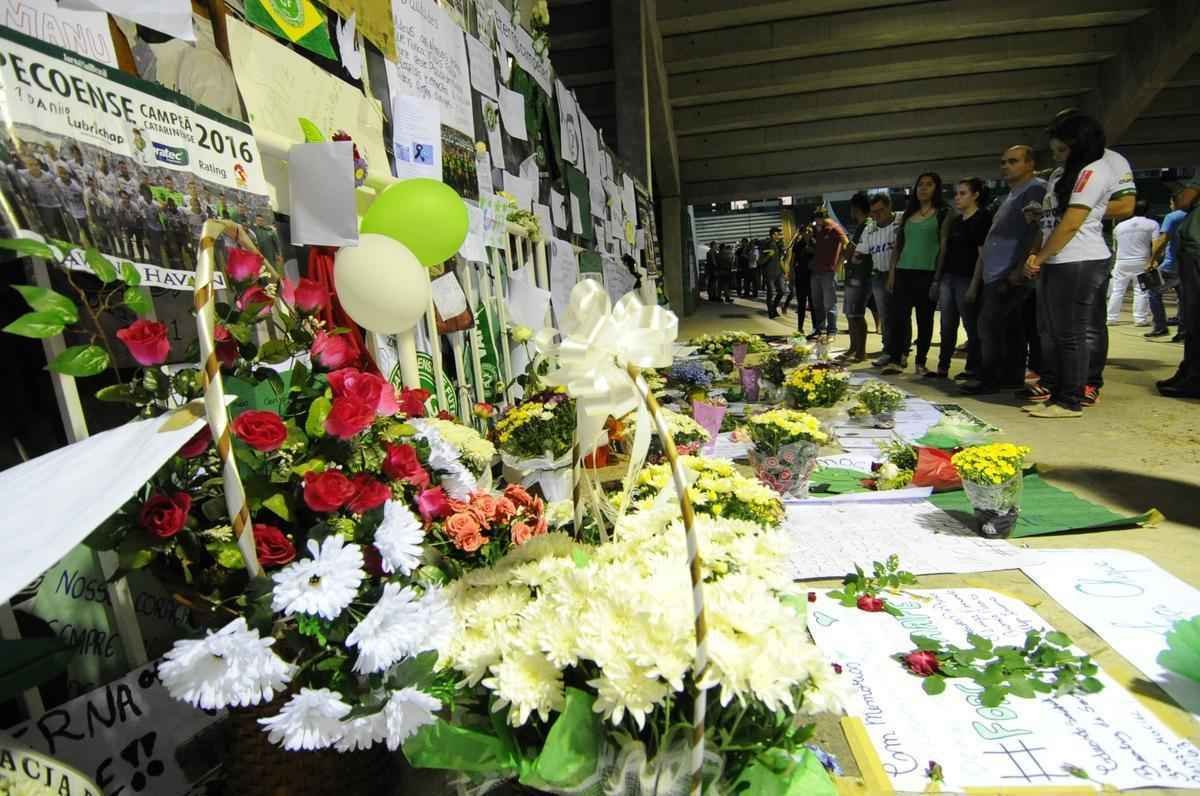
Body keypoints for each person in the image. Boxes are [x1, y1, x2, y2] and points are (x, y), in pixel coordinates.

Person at [1022, 114, 1118, 418]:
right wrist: (1037, 251)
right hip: (1059, 259)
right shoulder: (1062, 175)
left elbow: (1072, 223)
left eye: (1062, 150)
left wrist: (1041, 257)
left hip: (1079, 260)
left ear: (1079, 145)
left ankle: (1069, 400)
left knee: (1071, 333)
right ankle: (1059, 392)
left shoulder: (1094, 171)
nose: (1056, 156)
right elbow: (1053, 223)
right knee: (1053, 330)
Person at [961, 147, 1046, 395]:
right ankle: (1009, 376)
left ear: (1030, 164)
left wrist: (1019, 268)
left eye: (1013, 161)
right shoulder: (1013, 193)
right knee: (1008, 327)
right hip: (997, 270)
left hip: (1009, 270)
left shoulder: (1034, 189)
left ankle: (992, 378)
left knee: (990, 325)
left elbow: (1035, 230)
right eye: (1003, 162)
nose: (1005, 166)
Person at [882, 173, 947, 375]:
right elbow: (898, 246)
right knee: (899, 317)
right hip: (903, 271)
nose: (923, 188)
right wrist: (892, 273)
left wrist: (937, 277)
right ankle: (897, 357)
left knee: (925, 319)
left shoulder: (943, 213)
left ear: (936, 189)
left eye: (929, 185)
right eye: (920, 185)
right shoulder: (908, 215)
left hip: (926, 273)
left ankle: (921, 362)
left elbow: (943, 247)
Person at [929, 178, 992, 379]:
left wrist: (975, 284)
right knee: (947, 324)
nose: (957, 197)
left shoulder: (982, 218)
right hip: (949, 277)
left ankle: (973, 369)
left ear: (975, 195)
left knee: (971, 326)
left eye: (962, 193)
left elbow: (982, 255)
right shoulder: (956, 221)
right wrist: (938, 279)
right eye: (956, 193)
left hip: (967, 278)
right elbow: (946, 251)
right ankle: (943, 367)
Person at [1157, 175, 1200, 398]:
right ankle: (1188, 372)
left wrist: (1185, 190)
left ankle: (1193, 377)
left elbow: (1184, 201)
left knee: (1194, 317)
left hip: (1197, 250)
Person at [859, 193, 900, 365]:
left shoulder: (901, 220)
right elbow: (860, 252)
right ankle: (888, 350)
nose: (876, 215)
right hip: (879, 275)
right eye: (873, 212)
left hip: (900, 274)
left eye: (880, 211)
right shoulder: (870, 228)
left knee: (900, 315)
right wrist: (856, 256)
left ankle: (902, 351)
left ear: (889, 207)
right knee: (885, 315)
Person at [1107, 200, 1158, 327]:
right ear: (1147, 210)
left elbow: (1115, 247)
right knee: (1141, 291)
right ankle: (1140, 319)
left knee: (1117, 291)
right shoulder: (1152, 224)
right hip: (1142, 260)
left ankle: (1111, 318)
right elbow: (1156, 244)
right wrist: (1154, 260)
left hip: (1121, 261)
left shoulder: (1119, 226)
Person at [839, 192, 874, 362]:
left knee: (856, 315)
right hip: (855, 274)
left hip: (860, 275)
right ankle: (854, 347)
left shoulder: (866, 224)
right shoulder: (863, 225)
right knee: (851, 314)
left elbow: (849, 251)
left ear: (855, 208)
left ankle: (861, 352)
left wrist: (847, 249)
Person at [1146, 196, 1186, 339]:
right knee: (1185, 299)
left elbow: (1162, 240)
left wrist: (1152, 261)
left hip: (1171, 265)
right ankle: (1183, 331)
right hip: (1189, 265)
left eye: (1170, 202)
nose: (1170, 206)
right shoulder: (1194, 215)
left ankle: (1160, 327)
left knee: (1153, 292)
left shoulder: (1173, 217)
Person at [809, 207, 848, 343]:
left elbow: (846, 244)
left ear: (824, 218)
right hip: (816, 271)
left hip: (829, 272)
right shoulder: (816, 229)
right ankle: (820, 329)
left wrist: (839, 263)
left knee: (829, 304)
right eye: (816, 220)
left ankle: (831, 331)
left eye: (818, 220)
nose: (817, 222)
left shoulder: (834, 228)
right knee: (817, 302)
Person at [782, 223, 813, 327]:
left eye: (810, 231)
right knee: (801, 303)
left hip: (813, 277)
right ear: (802, 233)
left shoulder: (815, 243)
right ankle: (800, 327)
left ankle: (816, 329)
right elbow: (792, 261)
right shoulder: (798, 244)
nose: (808, 233)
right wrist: (790, 273)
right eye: (806, 231)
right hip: (800, 276)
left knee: (813, 304)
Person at [760, 227, 787, 318]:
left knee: (782, 291)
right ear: (772, 235)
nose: (778, 236)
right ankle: (771, 311)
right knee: (771, 293)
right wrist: (768, 256)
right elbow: (760, 262)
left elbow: (780, 260)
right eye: (776, 234)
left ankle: (774, 308)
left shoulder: (779, 245)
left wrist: (784, 271)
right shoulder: (766, 245)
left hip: (779, 273)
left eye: (778, 234)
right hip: (769, 273)